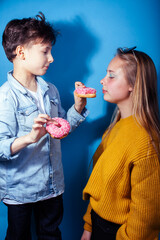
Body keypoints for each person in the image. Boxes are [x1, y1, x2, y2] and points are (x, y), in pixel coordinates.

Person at [0, 12, 88, 240]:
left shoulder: (51, 90)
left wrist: (77, 108)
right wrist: (30, 137)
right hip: (20, 189)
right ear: (21, 52)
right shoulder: (5, 97)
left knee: (51, 234)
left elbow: (61, 130)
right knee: (18, 236)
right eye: (45, 51)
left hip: (52, 186)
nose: (51, 58)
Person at [81, 47, 160, 240]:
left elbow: (147, 217)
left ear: (134, 84)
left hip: (117, 233)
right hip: (97, 226)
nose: (102, 80)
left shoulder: (146, 143)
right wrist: (88, 227)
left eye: (111, 76)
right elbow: (100, 188)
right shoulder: (114, 128)